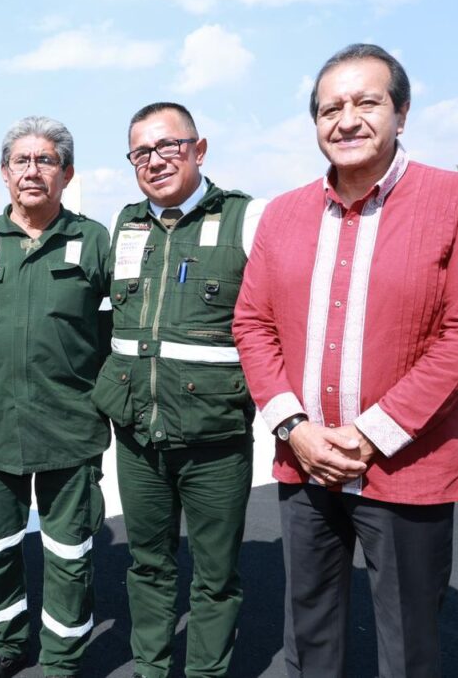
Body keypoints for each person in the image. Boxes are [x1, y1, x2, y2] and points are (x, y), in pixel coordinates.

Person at [233, 43, 458, 678]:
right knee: (310, 636)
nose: (346, 120)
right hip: (305, 464)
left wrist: (371, 433)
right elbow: (252, 324)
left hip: (406, 466)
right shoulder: (282, 213)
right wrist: (295, 429)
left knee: (409, 644)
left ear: (401, 113)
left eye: (366, 103)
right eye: (330, 108)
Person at [92, 102, 266, 678]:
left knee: (215, 576)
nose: (155, 160)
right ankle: (150, 668)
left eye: (169, 145)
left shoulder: (246, 219)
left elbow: (278, 320)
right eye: (141, 152)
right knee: (148, 565)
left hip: (215, 437)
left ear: (199, 149)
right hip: (138, 434)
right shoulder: (125, 224)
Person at [0, 116, 111, 678]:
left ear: (66, 174)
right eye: (21, 160)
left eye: (46, 160)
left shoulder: (93, 240)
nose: (32, 170)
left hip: (70, 425)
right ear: (4, 173)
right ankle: (7, 644)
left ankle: (62, 659)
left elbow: (122, 326)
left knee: (69, 554)